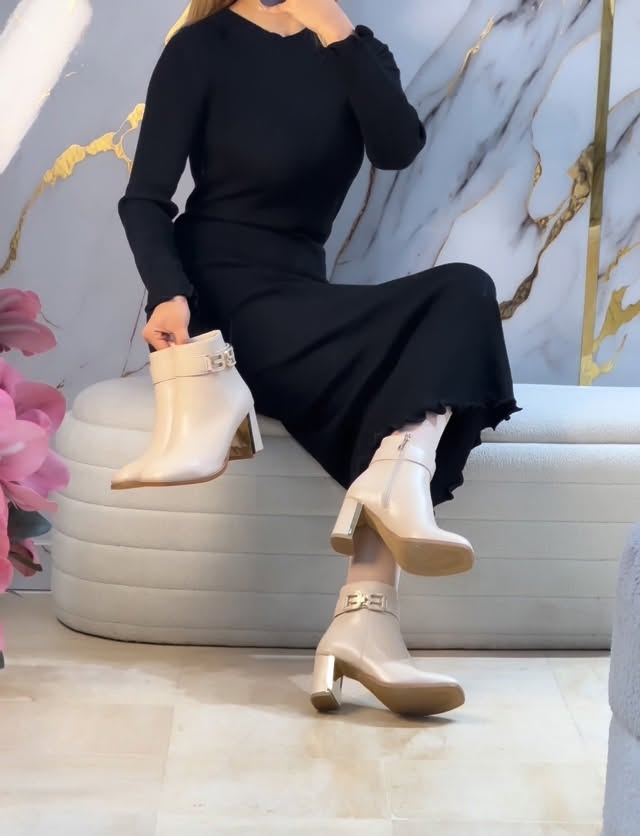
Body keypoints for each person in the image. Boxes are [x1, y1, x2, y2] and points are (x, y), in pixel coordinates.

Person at [116, 0, 521, 717]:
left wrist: (336, 31)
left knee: (463, 292)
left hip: (302, 293)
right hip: (221, 298)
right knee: (398, 384)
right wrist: (168, 292)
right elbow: (145, 200)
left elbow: (397, 147)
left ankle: (369, 599)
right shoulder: (201, 49)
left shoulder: (356, 52)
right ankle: (371, 617)